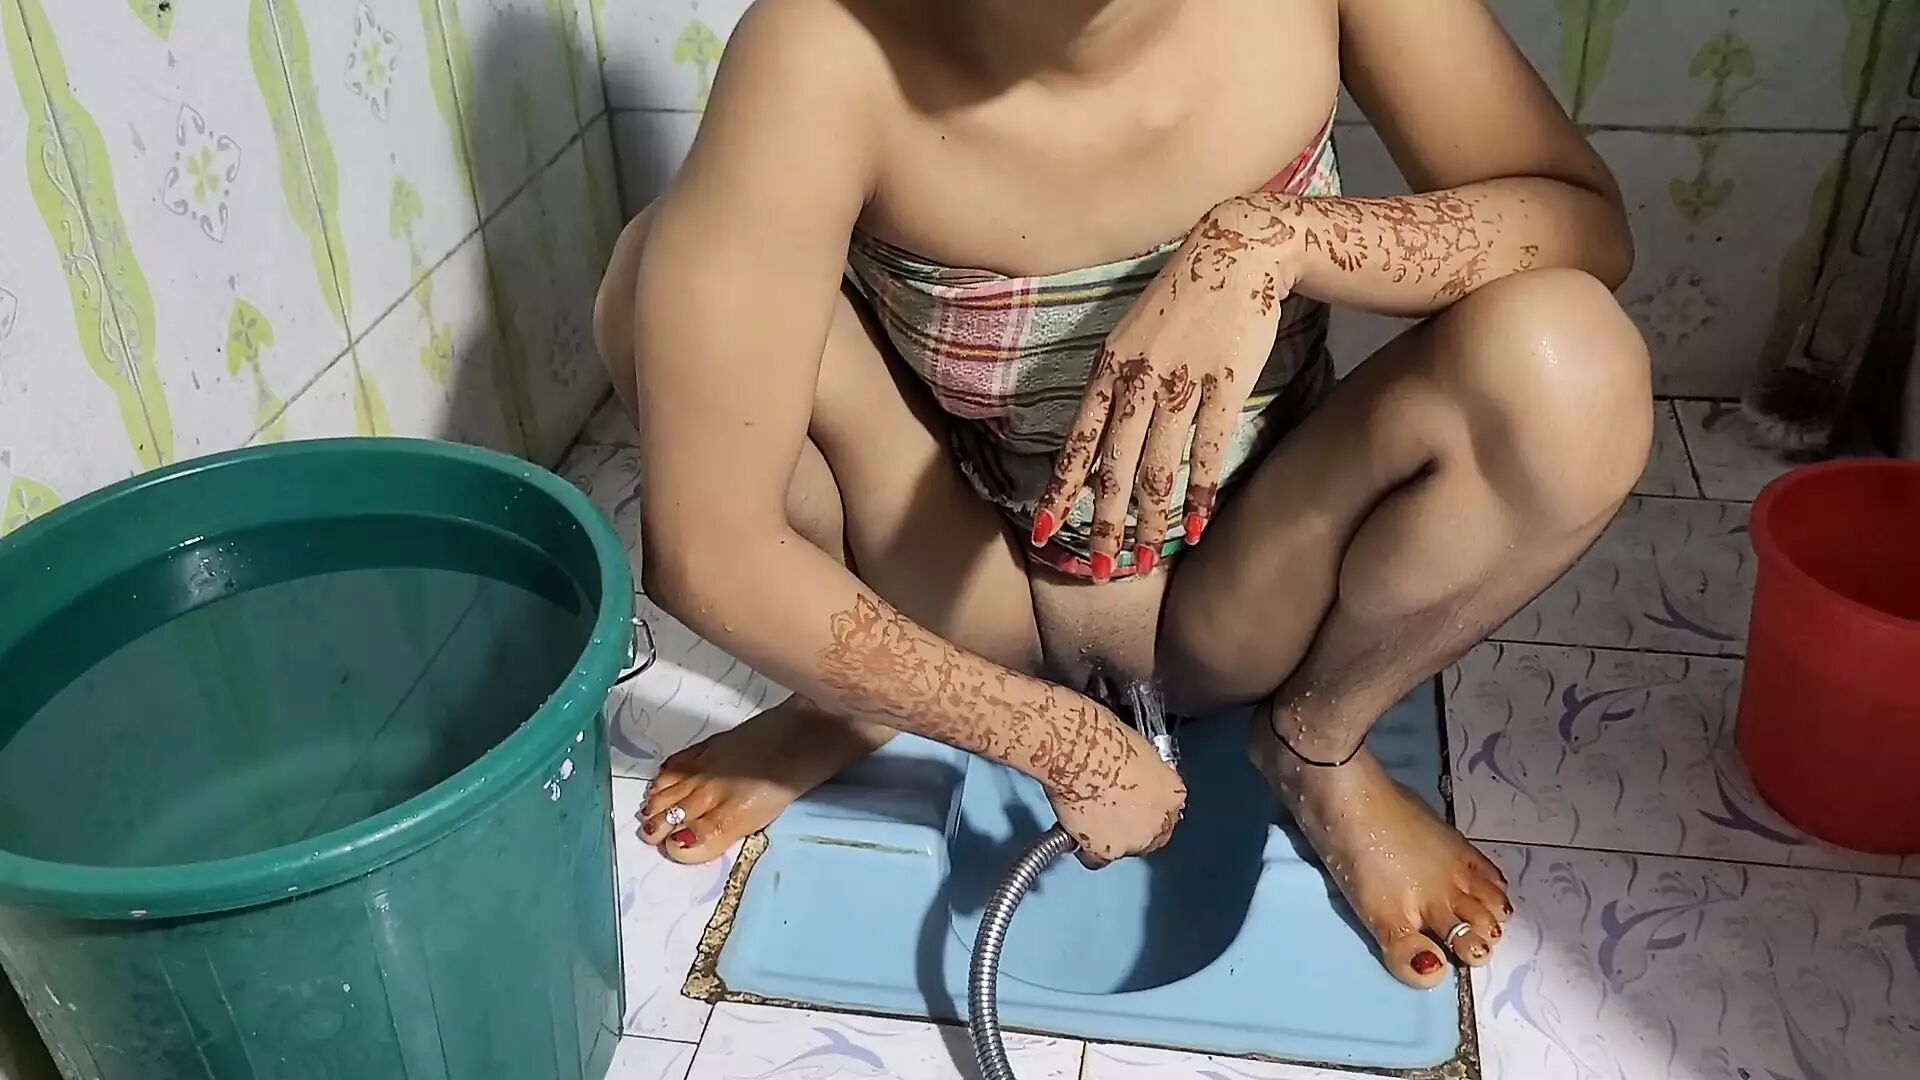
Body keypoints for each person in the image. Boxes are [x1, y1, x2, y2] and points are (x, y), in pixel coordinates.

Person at [592, 0, 1651, 989]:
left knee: (1566, 362)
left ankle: (1316, 741)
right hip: (974, 584)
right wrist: (1048, 739)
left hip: (1258, 582)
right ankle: (851, 702)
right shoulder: (823, 50)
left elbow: (1583, 222)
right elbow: (709, 543)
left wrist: (1275, 243)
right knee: (657, 282)